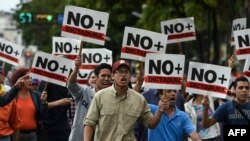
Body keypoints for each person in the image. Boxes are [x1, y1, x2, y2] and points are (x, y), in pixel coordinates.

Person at [84, 60, 167, 141]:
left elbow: (151, 124)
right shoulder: (100, 96)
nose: (123, 75)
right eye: (120, 72)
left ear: (130, 76)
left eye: (126, 72)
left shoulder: (139, 99)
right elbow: (89, 123)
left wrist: (159, 111)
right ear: (113, 75)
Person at [67, 55, 113, 141]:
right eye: (103, 75)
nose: (106, 79)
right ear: (96, 77)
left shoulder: (113, 97)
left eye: (109, 76)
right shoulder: (84, 92)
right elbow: (71, 84)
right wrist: (76, 68)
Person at [10, 67, 43, 141]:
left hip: (33, 136)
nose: (30, 80)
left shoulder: (37, 95)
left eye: (31, 78)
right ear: (20, 79)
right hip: (16, 136)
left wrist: (44, 103)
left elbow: (43, 115)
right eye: (27, 78)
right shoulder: (12, 96)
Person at [0, 66, 21, 141]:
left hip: (3, 138)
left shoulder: (9, 98)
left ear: (3, 78)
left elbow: (15, 124)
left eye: (0, 74)